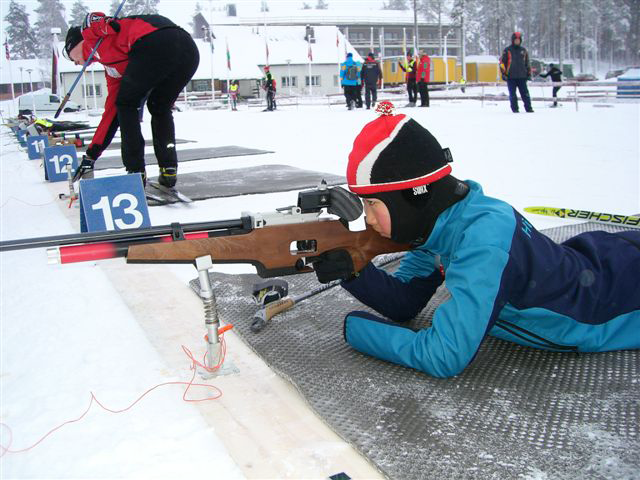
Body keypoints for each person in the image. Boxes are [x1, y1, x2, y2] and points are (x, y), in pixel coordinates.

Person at [312, 101, 640, 379]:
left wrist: (353, 330)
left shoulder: (483, 241)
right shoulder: (441, 224)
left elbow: (444, 356)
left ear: (412, 198)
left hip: (621, 293)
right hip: (601, 259)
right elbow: (406, 301)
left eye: (373, 204)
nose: (367, 218)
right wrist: (352, 270)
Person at [65, 12, 200, 187]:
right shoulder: (112, 68)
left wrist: (100, 24)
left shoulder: (91, 35)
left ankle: (135, 170)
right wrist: (91, 155)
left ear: (74, 44)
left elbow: (95, 19)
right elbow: (111, 113)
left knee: (127, 104)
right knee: (158, 106)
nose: (74, 62)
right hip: (186, 50)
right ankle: (168, 169)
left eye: (69, 56)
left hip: (156, 40)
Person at [500, 32, 533, 113]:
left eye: (519, 40)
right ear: (513, 40)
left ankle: (529, 108)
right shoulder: (507, 50)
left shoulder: (523, 50)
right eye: (516, 40)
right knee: (512, 94)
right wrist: (503, 73)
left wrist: (529, 73)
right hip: (511, 77)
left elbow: (527, 63)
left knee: (525, 94)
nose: (517, 41)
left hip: (522, 77)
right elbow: (502, 63)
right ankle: (515, 109)